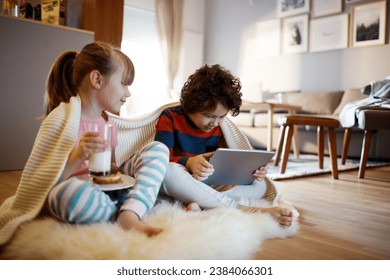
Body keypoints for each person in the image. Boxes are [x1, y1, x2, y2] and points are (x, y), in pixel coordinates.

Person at [0, 42, 169, 245]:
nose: (128, 93)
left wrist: (117, 172)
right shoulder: (60, 119)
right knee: (66, 195)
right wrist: (77, 156)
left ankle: (129, 212)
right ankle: (124, 211)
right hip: (81, 192)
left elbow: (112, 168)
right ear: (97, 79)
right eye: (124, 83)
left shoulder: (107, 122)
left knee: (157, 150)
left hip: (110, 189)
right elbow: (45, 182)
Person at [155, 64, 294, 226]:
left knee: (259, 185)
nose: (215, 123)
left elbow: (224, 163)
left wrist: (252, 172)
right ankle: (248, 210)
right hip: (182, 180)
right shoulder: (170, 117)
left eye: (222, 117)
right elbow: (159, 159)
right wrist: (189, 162)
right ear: (191, 105)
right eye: (208, 116)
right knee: (168, 173)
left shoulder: (220, 127)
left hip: (207, 184)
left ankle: (203, 204)